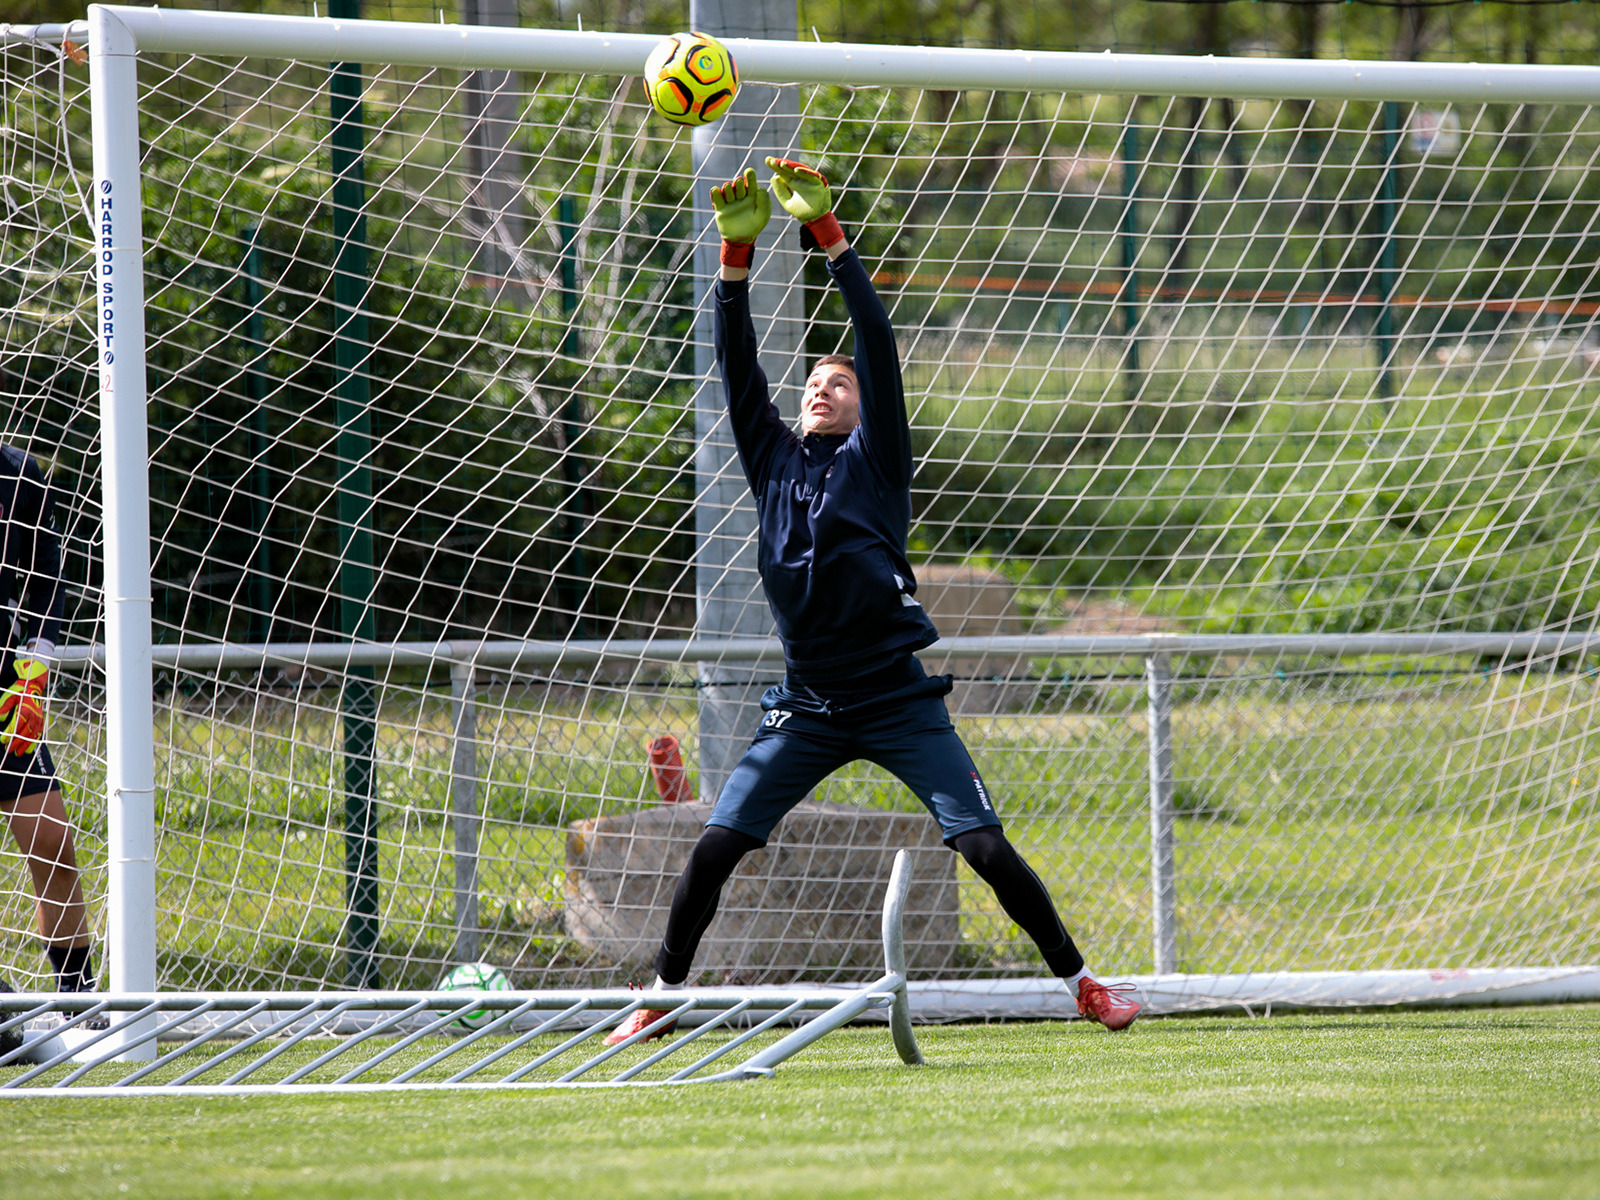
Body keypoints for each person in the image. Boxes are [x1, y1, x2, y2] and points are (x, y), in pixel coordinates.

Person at [607, 159, 1140, 1044]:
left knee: (983, 848)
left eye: (839, 383)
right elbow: (735, 365)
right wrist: (734, 257)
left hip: (897, 701)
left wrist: (830, 241)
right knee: (716, 845)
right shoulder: (772, 461)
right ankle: (658, 994)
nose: (822, 386)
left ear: (864, 409)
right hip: (808, 708)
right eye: (814, 380)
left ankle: (1082, 983)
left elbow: (876, 340)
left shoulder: (877, 463)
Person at [0, 442, 96, 1000]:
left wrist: (38, 654)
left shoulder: (15, 470)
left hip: (8, 687)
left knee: (52, 841)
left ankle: (77, 1005)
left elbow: (45, 574)